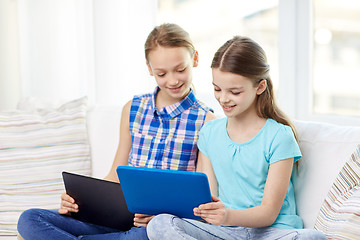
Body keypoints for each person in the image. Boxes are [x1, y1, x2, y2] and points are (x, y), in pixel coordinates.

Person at [17, 23, 216, 240]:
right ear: (150, 69)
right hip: (114, 218)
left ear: (195, 59)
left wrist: (165, 217)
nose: (173, 80)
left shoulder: (206, 120)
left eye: (181, 69)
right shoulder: (133, 108)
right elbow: (115, 174)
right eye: (161, 73)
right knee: (29, 218)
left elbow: (201, 198)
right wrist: (79, 202)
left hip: (153, 227)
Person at [146, 36, 327, 239]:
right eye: (217, 89)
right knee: (160, 223)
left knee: (313, 237)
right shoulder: (209, 132)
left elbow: (268, 212)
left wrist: (227, 215)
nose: (223, 98)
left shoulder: (279, 136)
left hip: (273, 232)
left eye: (234, 91)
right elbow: (205, 198)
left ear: (259, 87)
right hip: (226, 232)